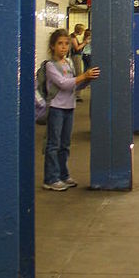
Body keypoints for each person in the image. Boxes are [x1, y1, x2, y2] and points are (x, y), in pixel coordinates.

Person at [43, 28, 100, 191]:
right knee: (54, 144)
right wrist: (83, 76)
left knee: (65, 144)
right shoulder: (50, 65)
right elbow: (63, 83)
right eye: (60, 44)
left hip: (69, 107)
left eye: (66, 44)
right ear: (52, 46)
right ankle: (50, 178)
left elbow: (74, 86)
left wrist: (87, 79)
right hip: (56, 108)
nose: (64, 47)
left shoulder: (68, 63)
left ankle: (63, 174)